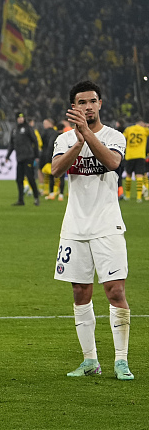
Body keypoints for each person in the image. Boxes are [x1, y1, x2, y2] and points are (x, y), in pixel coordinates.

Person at [50, 80, 133, 380]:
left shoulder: (115, 136)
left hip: (107, 225)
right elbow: (57, 170)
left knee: (115, 291)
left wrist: (86, 133)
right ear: (74, 107)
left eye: (92, 101)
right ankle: (90, 361)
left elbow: (112, 162)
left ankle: (121, 361)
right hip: (74, 226)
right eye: (82, 102)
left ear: (100, 104)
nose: (88, 106)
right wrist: (77, 142)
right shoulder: (62, 140)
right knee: (80, 292)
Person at [6, 112, 40, 206]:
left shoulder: (28, 128)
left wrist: (36, 156)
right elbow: (11, 144)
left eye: (22, 117)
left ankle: (36, 198)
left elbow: (35, 141)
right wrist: (7, 156)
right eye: (19, 117)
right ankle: (21, 200)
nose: (21, 119)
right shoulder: (14, 130)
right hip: (19, 158)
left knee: (30, 178)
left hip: (28, 157)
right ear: (16, 119)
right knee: (19, 179)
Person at [121, 118, 148, 202]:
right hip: (140, 155)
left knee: (128, 175)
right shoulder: (145, 130)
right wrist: (146, 125)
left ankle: (127, 196)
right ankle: (139, 197)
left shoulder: (129, 129)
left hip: (130, 155)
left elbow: (122, 137)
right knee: (140, 175)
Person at [38, 118, 60, 200]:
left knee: (43, 171)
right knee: (52, 172)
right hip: (52, 154)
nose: (44, 125)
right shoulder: (56, 133)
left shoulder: (45, 133)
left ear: (51, 123)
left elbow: (41, 143)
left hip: (45, 154)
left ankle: (46, 189)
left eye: (45, 123)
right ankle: (55, 189)